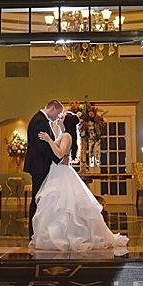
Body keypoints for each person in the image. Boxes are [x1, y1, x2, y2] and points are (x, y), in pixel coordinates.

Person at [29, 103, 129, 254]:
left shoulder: (66, 136)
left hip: (60, 172)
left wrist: (49, 140)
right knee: (56, 205)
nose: (59, 118)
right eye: (59, 115)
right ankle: (53, 234)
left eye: (62, 117)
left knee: (63, 206)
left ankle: (65, 236)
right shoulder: (63, 134)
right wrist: (51, 141)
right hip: (56, 171)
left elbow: (59, 154)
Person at [23, 99, 65, 241]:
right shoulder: (40, 121)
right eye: (58, 113)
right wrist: (58, 159)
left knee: (41, 198)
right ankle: (34, 232)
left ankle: (39, 230)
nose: (57, 116)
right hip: (39, 166)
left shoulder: (41, 120)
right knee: (38, 198)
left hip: (40, 165)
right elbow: (43, 147)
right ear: (52, 109)